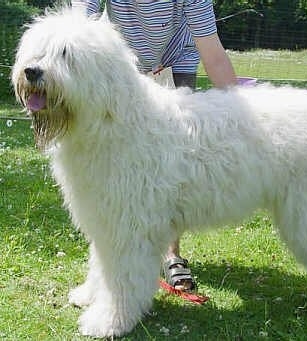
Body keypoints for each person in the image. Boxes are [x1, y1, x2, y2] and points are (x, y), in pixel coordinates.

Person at [72, 0, 237, 291]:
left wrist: (242, 114)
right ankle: (104, 270)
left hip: (176, 63)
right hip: (121, 69)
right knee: (110, 182)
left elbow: (213, 54)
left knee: (167, 175)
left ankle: (171, 254)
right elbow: (77, 26)